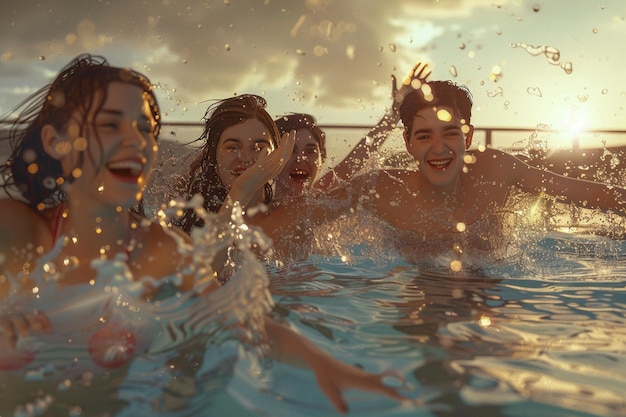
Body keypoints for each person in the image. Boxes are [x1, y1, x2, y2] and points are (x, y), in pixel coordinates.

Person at [0, 54, 406, 414]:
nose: (133, 141)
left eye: (145, 129)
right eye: (109, 125)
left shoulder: (158, 246)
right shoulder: (20, 227)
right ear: (56, 142)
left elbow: (231, 314)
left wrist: (326, 363)